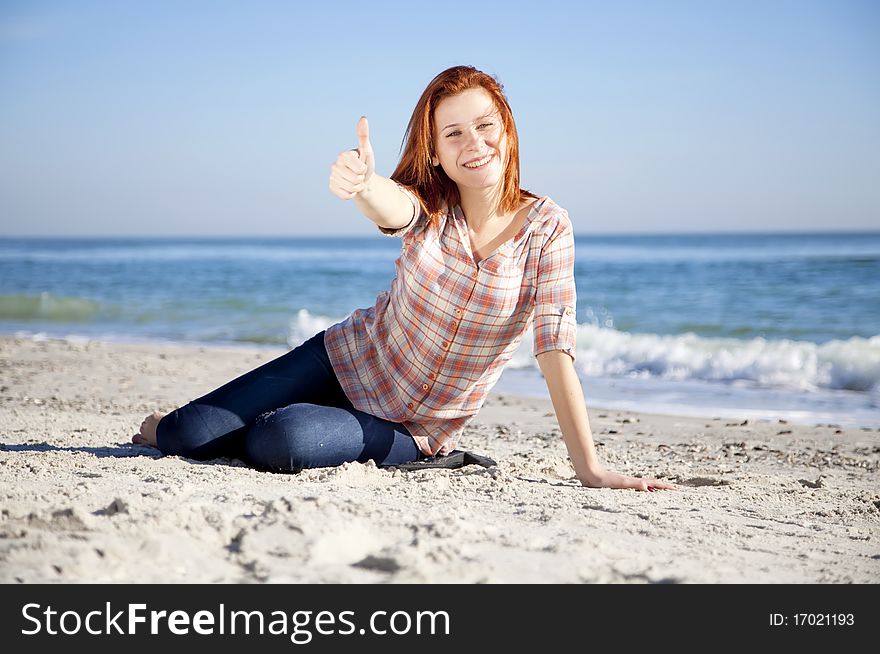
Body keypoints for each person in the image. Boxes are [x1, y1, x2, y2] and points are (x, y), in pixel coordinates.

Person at [134, 65, 674, 492]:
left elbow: (555, 347)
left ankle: (266, 430)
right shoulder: (432, 206)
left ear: (507, 130)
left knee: (285, 438)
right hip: (343, 358)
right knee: (185, 435)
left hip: (412, 428)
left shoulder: (548, 228)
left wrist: (590, 468)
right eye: (454, 133)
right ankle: (195, 427)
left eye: (485, 126)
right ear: (435, 153)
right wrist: (365, 183)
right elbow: (395, 208)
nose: (474, 143)